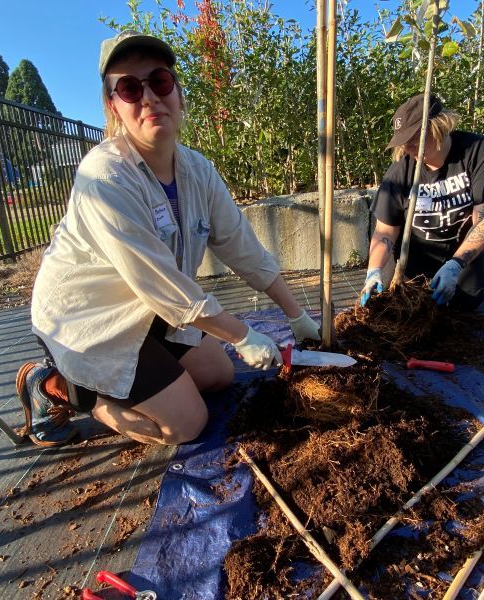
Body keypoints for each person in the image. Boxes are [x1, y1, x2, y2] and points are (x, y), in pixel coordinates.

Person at [16, 30, 319, 448]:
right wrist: (242, 335)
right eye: (129, 88)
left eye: (159, 82)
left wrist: (296, 315)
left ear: (178, 93)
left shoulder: (197, 169)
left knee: (220, 375)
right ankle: (60, 386)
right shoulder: (104, 177)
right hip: (88, 321)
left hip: (148, 310)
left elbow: (239, 244)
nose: (149, 98)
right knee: (186, 423)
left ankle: (114, 383)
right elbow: (162, 285)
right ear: (113, 107)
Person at [360, 93, 484, 310]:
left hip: (462, 261)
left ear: (438, 126)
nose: (409, 147)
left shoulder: (479, 153)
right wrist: (373, 272)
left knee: (464, 310)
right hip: (414, 265)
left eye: (414, 138)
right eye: (404, 141)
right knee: (404, 310)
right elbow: (385, 231)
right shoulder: (400, 171)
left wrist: (455, 266)